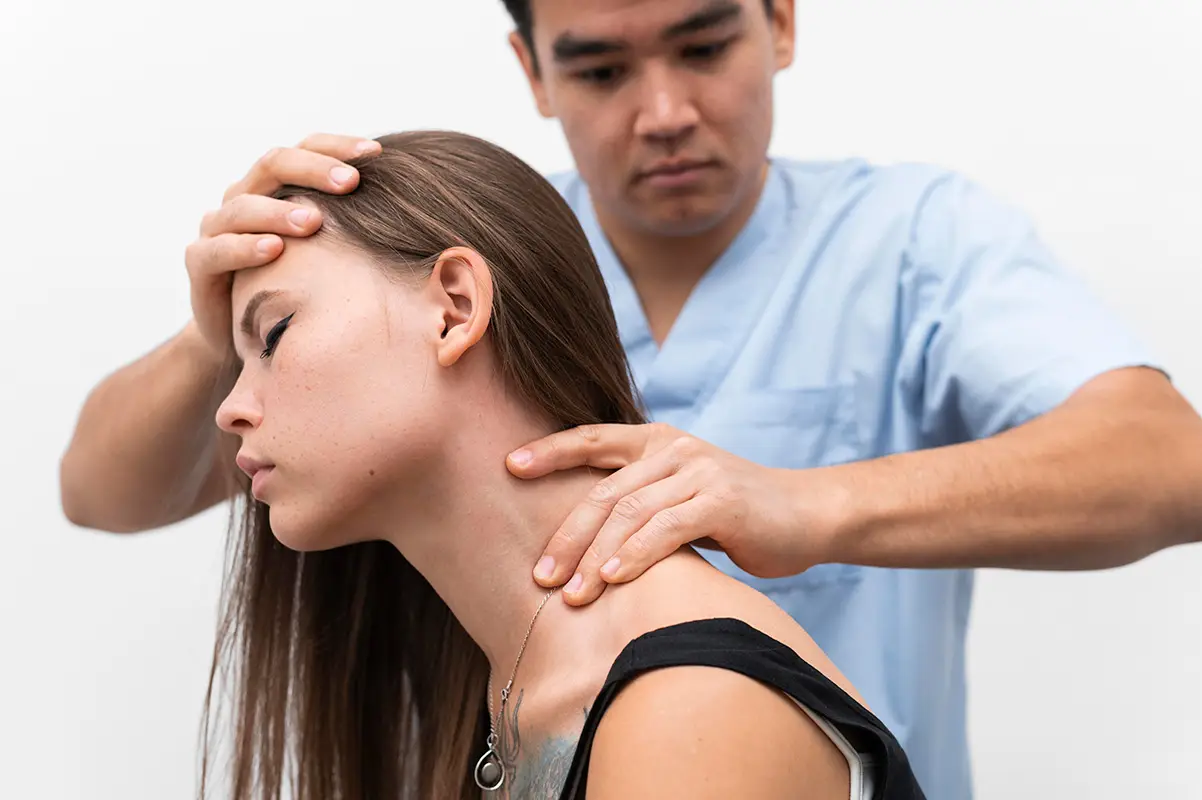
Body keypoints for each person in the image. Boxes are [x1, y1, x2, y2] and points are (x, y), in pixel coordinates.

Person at [58, 1, 1202, 797]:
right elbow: (99, 490)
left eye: (702, 45)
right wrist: (229, 319)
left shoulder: (914, 243)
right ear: (532, 71)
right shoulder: (466, 246)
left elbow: (1169, 462)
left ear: (782, 21)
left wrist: (801, 508)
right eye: (600, 68)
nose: (659, 111)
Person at [200, 128, 925, 799]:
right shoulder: (518, 684)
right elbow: (92, 490)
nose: (231, 408)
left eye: (275, 332)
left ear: (454, 308)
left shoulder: (685, 704)